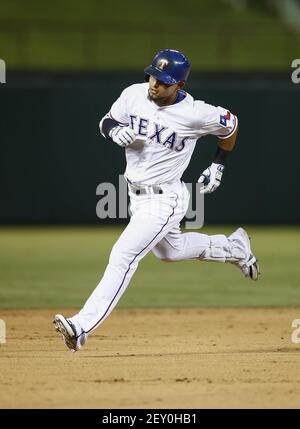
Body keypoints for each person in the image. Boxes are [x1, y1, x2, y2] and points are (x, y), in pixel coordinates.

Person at [53, 49, 260, 352]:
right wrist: (115, 132)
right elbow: (106, 120)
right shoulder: (134, 94)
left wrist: (218, 164)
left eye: (163, 81)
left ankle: (82, 326)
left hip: (165, 199)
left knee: (124, 254)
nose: (154, 84)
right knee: (170, 252)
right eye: (152, 76)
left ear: (180, 85)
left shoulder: (196, 113)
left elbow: (232, 124)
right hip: (136, 196)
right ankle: (235, 248)